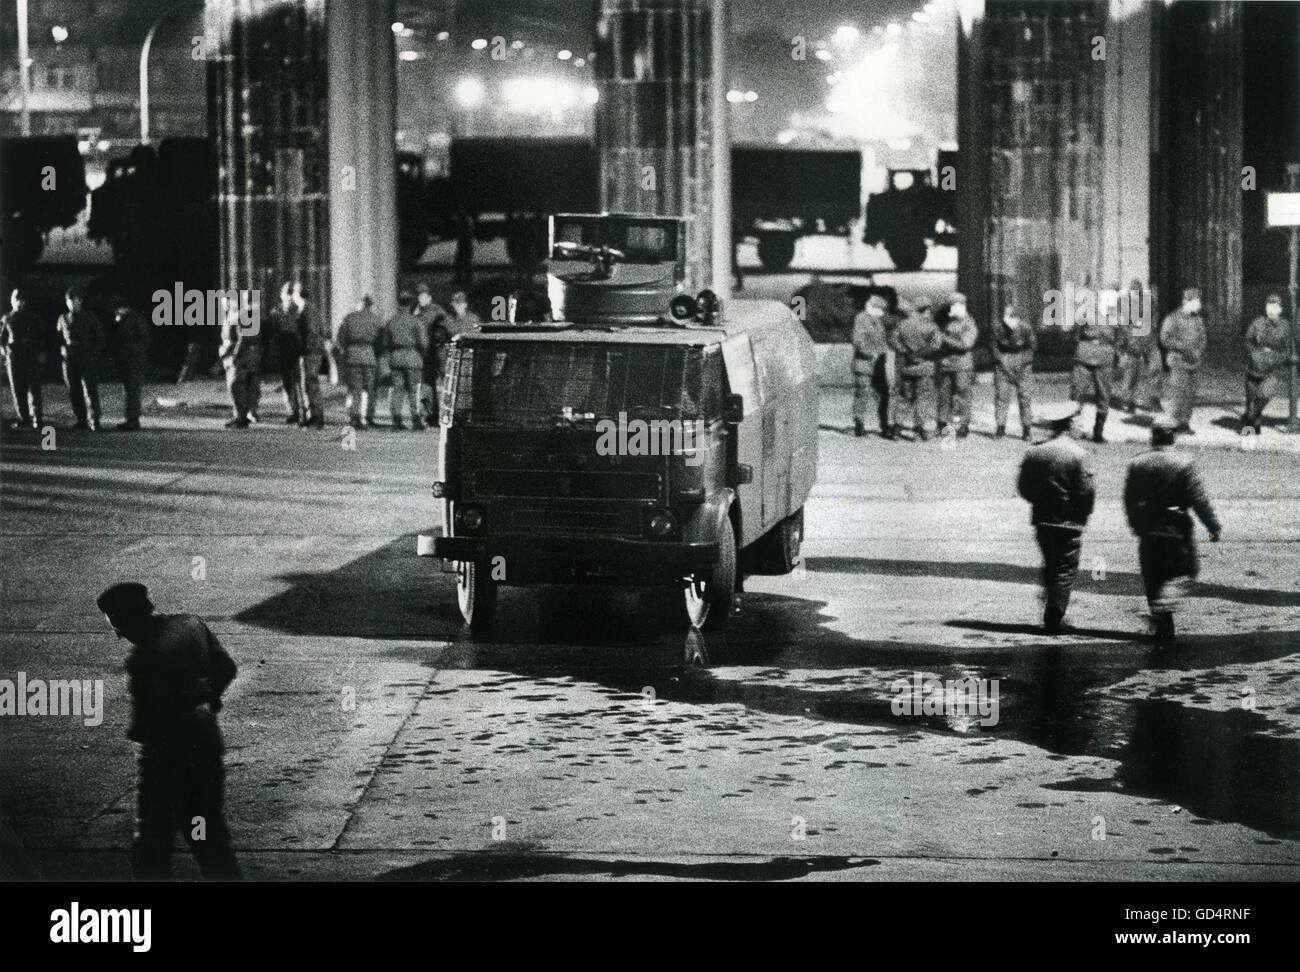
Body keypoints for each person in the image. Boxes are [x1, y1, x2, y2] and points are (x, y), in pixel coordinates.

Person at [96, 582, 241, 881]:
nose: (119, 634)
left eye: (119, 624)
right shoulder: (190, 624)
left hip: (165, 763)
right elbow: (226, 667)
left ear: (130, 619)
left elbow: (144, 728)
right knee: (209, 835)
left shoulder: (144, 660)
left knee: (151, 846)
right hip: (206, 745)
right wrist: (206, 696)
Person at [1124, 416, 1221, 648]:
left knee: (1153, 577)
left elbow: (1129, 500)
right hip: (1176, 527)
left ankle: (1164, 629)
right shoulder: (1184, 463)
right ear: (1173, 436)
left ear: (1153, 436)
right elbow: (1199, 501)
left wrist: (1136, 525)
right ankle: (1162, 608)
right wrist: (1212, 527)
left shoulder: (1138, 463)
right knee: (1187, 572)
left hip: (1148, 528)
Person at [1017, 403, 1095, 633]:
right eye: (1077, 421)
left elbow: (1023, 488)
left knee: (1050, 564)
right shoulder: (1079, 454)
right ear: (1069, 423)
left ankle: (1051, 606)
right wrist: (1082, 515)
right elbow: (1086, 492)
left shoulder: (1035, 451)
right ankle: (1054, 617)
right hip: (1069, 521)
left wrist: (1041, 502)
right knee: (1064, 569)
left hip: (1042, 518)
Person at [1240, 293, 1294, 435]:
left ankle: (1248, 418)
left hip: (1272, 371)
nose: (1271, 309)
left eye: (1275, 307)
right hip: (1254, 368)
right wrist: (1255, 354)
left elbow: (1288, 351)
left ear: (1280, 310)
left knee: (1263, 395)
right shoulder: (1257, 323)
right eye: (1269, 306)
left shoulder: (1285, 327)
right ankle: (1249, 435)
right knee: (1251, 403)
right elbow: (1248, 342)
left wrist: (1274, 357)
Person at [1070, 287, 1116, 443]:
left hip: (1105, 357)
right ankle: (1075, 429)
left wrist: (1114, 350)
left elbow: (1122, 335)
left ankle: (1098, 431)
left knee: (1104, 395)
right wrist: (1083, 345)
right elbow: (1075, 332)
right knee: (1078, 391)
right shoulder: (1085, 313)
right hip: (1085, 356)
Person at [892, 297, 942, 441]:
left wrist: (907, 352)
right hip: (925, 368)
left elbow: (893, 340)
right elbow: (936, 346)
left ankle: (897, 428)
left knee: (904, 398)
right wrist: (920, 354)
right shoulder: (931, 326)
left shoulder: (903, 324)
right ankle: (919, 429)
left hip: (907, 367)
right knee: (923, 399)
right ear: (926, 309)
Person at [1159, 287, 1207, 434]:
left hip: (1194, 362)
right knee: (1178, 394)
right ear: (1187, 301)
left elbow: (1203, 339)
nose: (1199, 304)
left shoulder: (1198, 320)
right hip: (1178, 362)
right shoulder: (1172, 318)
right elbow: (1165, 339)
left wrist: (1197, 352)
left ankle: (1184, 423)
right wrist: (1183, 349)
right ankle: (1172, 424)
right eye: (1197, 301)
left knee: (1190, 394)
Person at [57, 287, 104, 431]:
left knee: (90, 390)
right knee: (74, 390)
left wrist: (93, 355)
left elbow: (100, 339)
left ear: (80, 301)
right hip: (70, 359)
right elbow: (57, 338)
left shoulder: (90, 318)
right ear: (66, 302)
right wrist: (61, 349)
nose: (73, 304)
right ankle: (81, 419)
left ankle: (94, 420)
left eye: (75, 301)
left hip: (86, 357)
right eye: (70, 301)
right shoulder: (63, 318)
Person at [0, 287, 45, 430]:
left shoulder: (34, 318)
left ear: (25, 302)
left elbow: (42, 337)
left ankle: (37, 417)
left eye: (21, 300)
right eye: (16, 299)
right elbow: (2, 339)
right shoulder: (7, 318)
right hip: (14, 357)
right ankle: (24, 417)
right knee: (17, 388)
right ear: (12, 301)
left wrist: (40, 352)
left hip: (30, 355)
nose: (19, 303)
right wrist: (4, 352)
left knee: (34, 387)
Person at [336, 295, 382, 429]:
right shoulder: (375, 319)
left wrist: (348, 349)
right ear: (370, 305)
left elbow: (341, 337)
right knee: (370, 388)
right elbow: (380, 340)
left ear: (360, 304)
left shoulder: (349, 317)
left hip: (352, 356)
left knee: (355, 388)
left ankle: (354, 416)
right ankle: (368, 417)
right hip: (369, 355)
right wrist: (375, 353)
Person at [1113, 280, 1160, 413]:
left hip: (1148, 339)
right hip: (1131, 340)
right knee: (1131, 371)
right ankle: (1127, 401)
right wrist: (1127, 338)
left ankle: (1153, 399)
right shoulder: (1122, 302)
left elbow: (1154, 316)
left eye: (1138, 292)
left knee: (1155, 368)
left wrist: (1151, 327)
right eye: (1133, 292)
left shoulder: (1148, 300)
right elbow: (1121, 322)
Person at [935, 292, 977, 437]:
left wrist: (944, 339)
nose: (951, 309)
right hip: (946, 364)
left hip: (962, 365)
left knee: (962, 396)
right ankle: (942, 423)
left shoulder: (969, 323)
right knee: (943, 394)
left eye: (953, 306)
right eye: (950, 306)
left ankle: (962, 425)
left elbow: (965, 345)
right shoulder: (949, 321)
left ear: (961, 306)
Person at [991, 302, 1036, 439]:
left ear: (1017, 318)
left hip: (1023, 363)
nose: (1007, 319)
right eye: (1005, 316)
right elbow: (993, 346)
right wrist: (1000, 361)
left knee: (1025, 397)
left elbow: (1032, 347)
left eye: (1010, 316)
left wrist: (1024, 362)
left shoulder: (1026, 328)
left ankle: (1027, 429)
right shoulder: (998, 327)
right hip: (1003, 362)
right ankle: (1000, 428)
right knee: (1001, 397)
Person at [851, 294, 893, 438]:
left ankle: (885, 425)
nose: (882, 312)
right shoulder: (861, 319)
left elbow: (881, 341)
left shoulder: (877, 321)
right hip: (864, 363)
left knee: (884, 395)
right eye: (881, 309)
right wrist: (871, 354)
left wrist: (883, 351)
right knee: (862, 393)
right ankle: (859, 424)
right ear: (873, 308)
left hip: (878, 364)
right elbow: (858, 341)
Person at [383, 298, 427, 430]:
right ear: (410, 305)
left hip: (396, 358)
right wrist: (420, 354)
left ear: (399, 304)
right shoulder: (416, 321)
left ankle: (396, 421)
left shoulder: (391, 321)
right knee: (414, 390)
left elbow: (386, 343)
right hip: (413, 357)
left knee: (398, 389)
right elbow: (424, 342)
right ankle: (416, 420)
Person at [217, 296, 260, 429]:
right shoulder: (230, 316)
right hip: (230, 356)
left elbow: (243, 338)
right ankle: (239, 416)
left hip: (240, 358)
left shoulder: (241, 316)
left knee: (237, 387)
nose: (224, 305)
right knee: (236, 388)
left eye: (226, 301)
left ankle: (241, 418)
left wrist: (235, 356)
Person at [111, 295, 151, 431]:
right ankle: (130, 418)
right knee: (128, 390)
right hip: (126, 359)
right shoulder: (123, 319)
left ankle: (133, 420)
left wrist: (130, 348)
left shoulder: (135, 318)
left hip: (135, 360)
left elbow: (145, 340)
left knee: (133, 390)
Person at [412, 283, 450, 424]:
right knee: (427, 386)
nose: (420, 299)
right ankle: (430, 415)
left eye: (423, 296)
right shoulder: (415, 312)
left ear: (429, 297)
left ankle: (444, 414)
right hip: (425, 354)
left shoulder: (437, 311)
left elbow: (445, 330)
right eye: (419, 296)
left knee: (443, 385)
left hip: (437, 353)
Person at [267, 283, 303, 425]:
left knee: (299, 382)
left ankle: (302, 411)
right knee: (287, 381)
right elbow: (272, 332)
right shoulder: (276, 312)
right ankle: (292, 411)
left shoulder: (299, 310)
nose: (288, 296)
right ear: (281, 295)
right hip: (283, 348)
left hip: (296, 348)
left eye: (290, 293)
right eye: (286, 293)